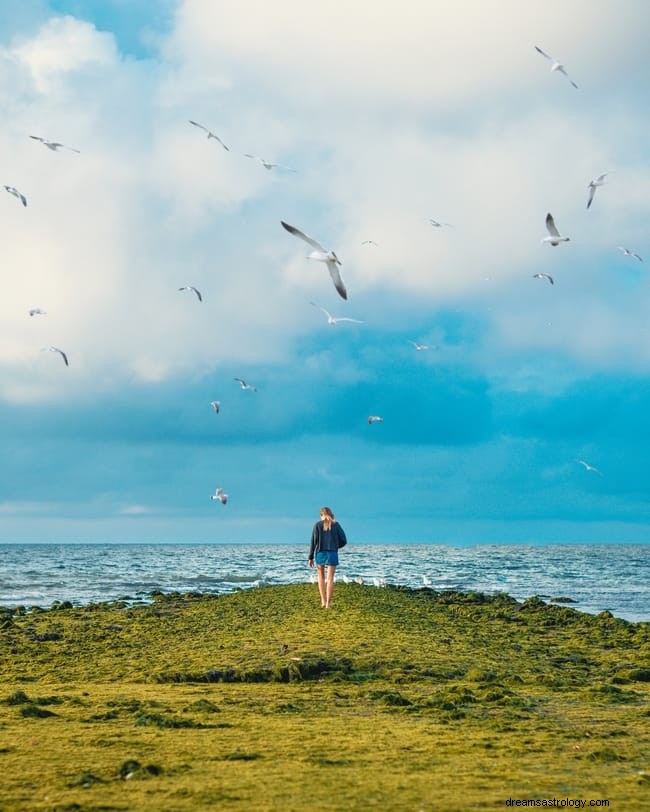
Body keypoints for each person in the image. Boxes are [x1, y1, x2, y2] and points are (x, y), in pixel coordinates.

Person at [308, 506, 347, 609]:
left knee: (321, 577)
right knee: (330, 578)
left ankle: (323, 601)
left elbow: (313, 542)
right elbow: (344, 540)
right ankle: (328, 604)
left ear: (321, 515)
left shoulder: (317, 525)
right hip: (332, 553)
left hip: (320, 553)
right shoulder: (336, 525)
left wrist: (310, 557)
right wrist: (335, 545)